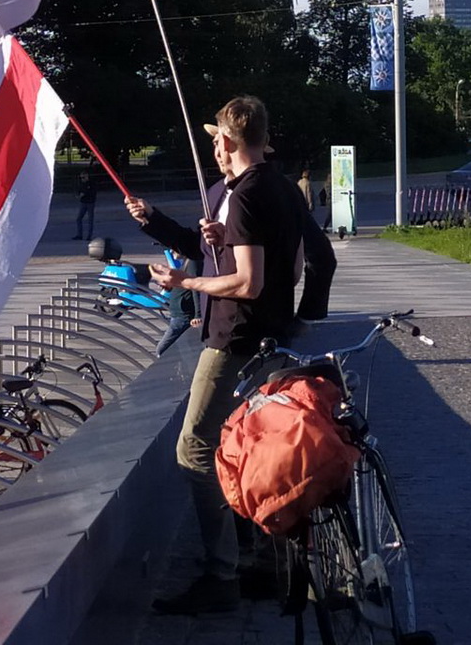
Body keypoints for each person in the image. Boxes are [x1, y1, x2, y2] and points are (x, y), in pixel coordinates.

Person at [134, 96, 304, 615]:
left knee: (193, 449)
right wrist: (200, 238)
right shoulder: (274, 185)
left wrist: (187, 280)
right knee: (253, 450)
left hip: (235, 337)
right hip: (273, 335)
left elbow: (249, 283)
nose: (211, 146)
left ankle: (221, 573)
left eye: (215, 138)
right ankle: (268, 559)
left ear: (228, 141)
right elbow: (291, 269)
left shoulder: (248, 194)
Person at [72, 168, 96, 241]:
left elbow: (93, 193)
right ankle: (79, 235)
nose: (82, 179)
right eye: (81, 177)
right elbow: (78, 191)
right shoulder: (81, 183)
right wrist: (78, 195)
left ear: (87, 176)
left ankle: (89, 236)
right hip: (83, 202)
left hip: (90, 203)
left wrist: (85, 194)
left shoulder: (91, 183)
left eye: (83, 177)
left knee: (90, 219)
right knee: (79, 218)